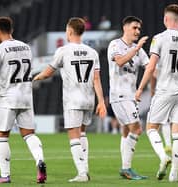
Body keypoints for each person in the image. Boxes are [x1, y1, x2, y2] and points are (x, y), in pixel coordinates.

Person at [34, 17, 106, 182]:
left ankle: (82, 174)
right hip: (89, 100)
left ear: (70, 31)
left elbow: (47, 73)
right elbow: (96, 79)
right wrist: (101, 101)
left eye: (67, 30)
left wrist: (35, 78)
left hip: (73, 100)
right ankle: (85, 168)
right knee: (82, 134)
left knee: (73, 136)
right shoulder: (92, 52)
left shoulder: (63, 51)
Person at [0, 17, 47, 184]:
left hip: (8, 97)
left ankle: (5, 175)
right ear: (12, 29)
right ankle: (39, 160)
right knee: (29, 134)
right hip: (26, 96)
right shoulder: (26, 47)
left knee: (2, 136)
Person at [136, 4, 178, 182]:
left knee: (151, 128)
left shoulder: (159, 38)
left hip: (165, 88)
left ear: (165, 19)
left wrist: (140, 88)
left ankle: (163, 157)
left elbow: (151, 66)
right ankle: (174, 175)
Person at [107, 16, 149, 180]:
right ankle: (126, 168)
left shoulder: (139, 50)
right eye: (134, 28)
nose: (137, 31)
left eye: (139, 29)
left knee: (126, 131)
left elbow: (149, 67)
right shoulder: (115, 44)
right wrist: (137, 48)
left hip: (131, 96)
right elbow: (119, 61)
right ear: (125, 28)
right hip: (119, 95)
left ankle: (125, 168)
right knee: (137, 129)